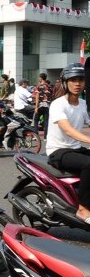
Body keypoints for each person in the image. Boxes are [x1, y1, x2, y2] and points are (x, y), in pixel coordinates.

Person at [46, 62, 90, 223]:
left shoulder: (83, 104)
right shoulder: (58, 104)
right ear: (65, 82)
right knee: (89, 164)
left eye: (81, 80)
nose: (77, 84)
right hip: (58, 151)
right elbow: (68, 130)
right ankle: (83, 209)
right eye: (73, 80)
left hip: (75, 149)